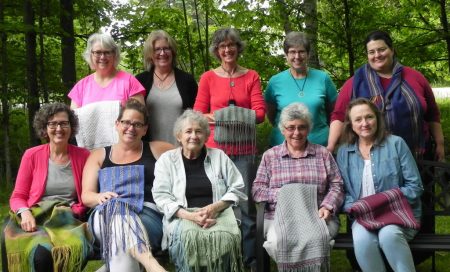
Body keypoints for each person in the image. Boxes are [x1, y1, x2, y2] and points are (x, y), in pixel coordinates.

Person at [193, 27, 265, 270]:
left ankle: (250, 260)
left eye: (231, 45)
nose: (227, 50)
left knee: (245, 207)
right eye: (222, 46)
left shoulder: (251, 76)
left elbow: (260, 114)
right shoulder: (208, 78)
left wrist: (221, 116)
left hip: (244, 151)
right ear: (216, 50)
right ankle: (222, 259)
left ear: (238, 48)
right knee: (218, 203)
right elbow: (198, 114)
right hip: (215, 150)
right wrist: (236, 116)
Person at [82, 99, 171, 272]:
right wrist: (99, 197)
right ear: (117, 124)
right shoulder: (98, 155)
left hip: (146, 216)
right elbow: (87, 195)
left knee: (119, 237)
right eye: (126, 122)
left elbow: (192, 152)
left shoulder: (159, 149)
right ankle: (151, 264)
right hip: (104, 215)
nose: (131, 128)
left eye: (137, 124)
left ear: (145, 129)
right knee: (115, 211)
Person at [152, 109, 247, 271]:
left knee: (224, 236)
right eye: (188, 131)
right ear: (179, 136)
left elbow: (237, 186)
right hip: (182, 216)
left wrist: (215, 207)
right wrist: (190, 216)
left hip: (218, 214)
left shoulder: (219, 156)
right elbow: (161, 196)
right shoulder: (166, 160)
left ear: (206, 136)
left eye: (199, 131)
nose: (194, 136)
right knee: (188, 236)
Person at [252, 103, 344, 270]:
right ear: (282, 129)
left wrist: (328, 206)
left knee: (315, 239)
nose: (296, 133)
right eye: (291, 127)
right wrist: (285, 195)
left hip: (316, 215)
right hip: (279, 218)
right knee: (277, 243)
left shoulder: (322, 154)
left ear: (308, 129)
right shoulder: (270, 156)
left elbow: (337, 185)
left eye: (302, 127)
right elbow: (257, 190)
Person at [328, 30, 445, 162]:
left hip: (418, 156)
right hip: (372, 159)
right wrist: (331, 147)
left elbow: (432, 114)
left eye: (381, 49)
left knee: (416, 183)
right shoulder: (355, 83)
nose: (377, 55)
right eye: (371, 52)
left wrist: (440, 143)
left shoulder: (415, 77)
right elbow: (338, 116)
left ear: (392, 50)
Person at [337, 98, 423, 272]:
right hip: (363, 216)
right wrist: (354, 207)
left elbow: (415, 186)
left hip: (397, 214)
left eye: (369, 117)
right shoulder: (344, 151)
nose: (364, 123)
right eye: (358, 119)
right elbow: (342, 190)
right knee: (361, 239)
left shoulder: (396, 144)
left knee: (389, 235)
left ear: (377, 118)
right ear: (351, 125)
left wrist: (382, 201)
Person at [6, 103, 91, 272]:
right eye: (52, 124)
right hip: (35, 219)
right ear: (44, 128)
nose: (59, 128)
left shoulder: (84, 156)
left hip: (68, 219)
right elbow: (18, 196)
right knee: (41, 256)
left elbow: (89, 194)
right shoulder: (32, 155)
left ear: (71, 126)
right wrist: (25, 212)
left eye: (63, 123)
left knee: (66, 253)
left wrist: (75, 210)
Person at [68, 32, 146, 150]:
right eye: (98, 52)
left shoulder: (130, 81)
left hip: (124, 150)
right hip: (89, 153)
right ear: (90, 55)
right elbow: (73, 123)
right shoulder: (81, 86)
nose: (102, 57)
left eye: (107, 52)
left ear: (114, 55)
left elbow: (140, 116)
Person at [265, 31, 337, 147]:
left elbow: (335, 113)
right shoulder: (275, 82)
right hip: (282, 149)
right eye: (292, 52)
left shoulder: (323, 78)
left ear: (308, 54)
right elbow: (271, 116)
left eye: (301, 52)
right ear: (286, 55)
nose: (297, 57)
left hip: (320, 149)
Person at [135, 30, 198, 145]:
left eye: (166, 48)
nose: (162, 53)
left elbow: (197, 116)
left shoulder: (187, 80)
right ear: (150, 55)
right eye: (157, 49)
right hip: (149, 151)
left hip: (182, 149)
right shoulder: (140, 81)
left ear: (172, 52)